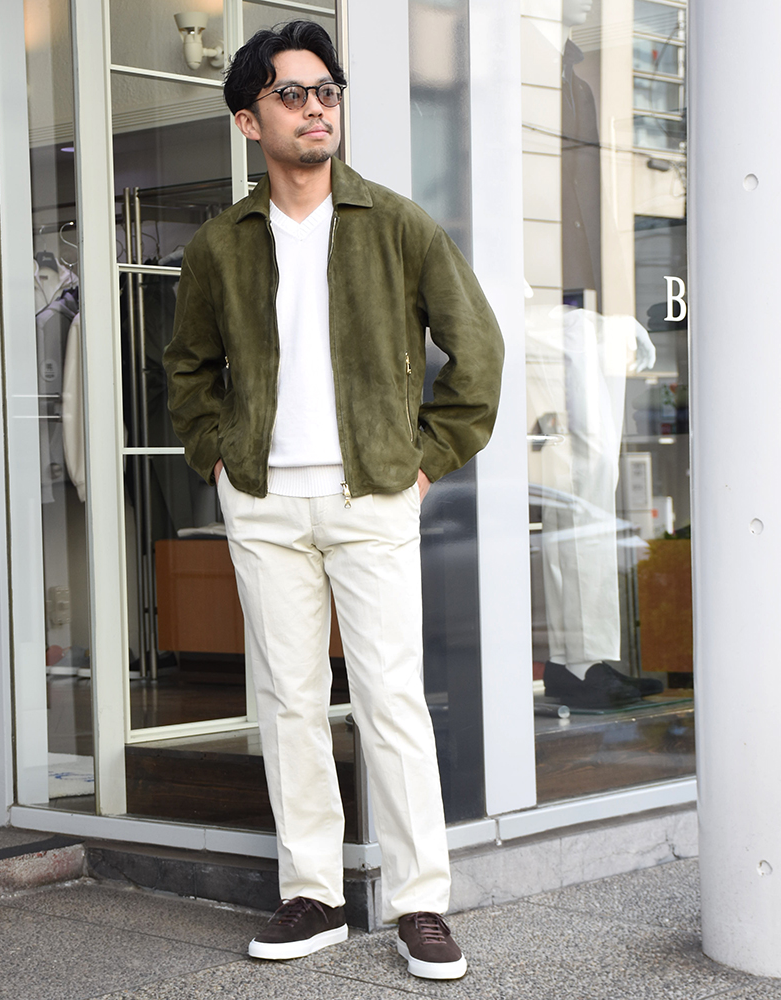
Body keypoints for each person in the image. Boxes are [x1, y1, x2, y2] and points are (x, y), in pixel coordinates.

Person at [163, 19, 504, 981]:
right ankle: (312, 893)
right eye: (293, 94)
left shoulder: (396, 224)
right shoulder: (221, 244)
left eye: (327, 92)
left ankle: (419, 903)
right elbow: (188, 371)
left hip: (371, 498)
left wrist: (424, 461)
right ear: (249, 120)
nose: (316, 108)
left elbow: (476, 352)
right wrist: (220, 460)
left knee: (392, 701)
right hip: (265, 502)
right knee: (289, 704)